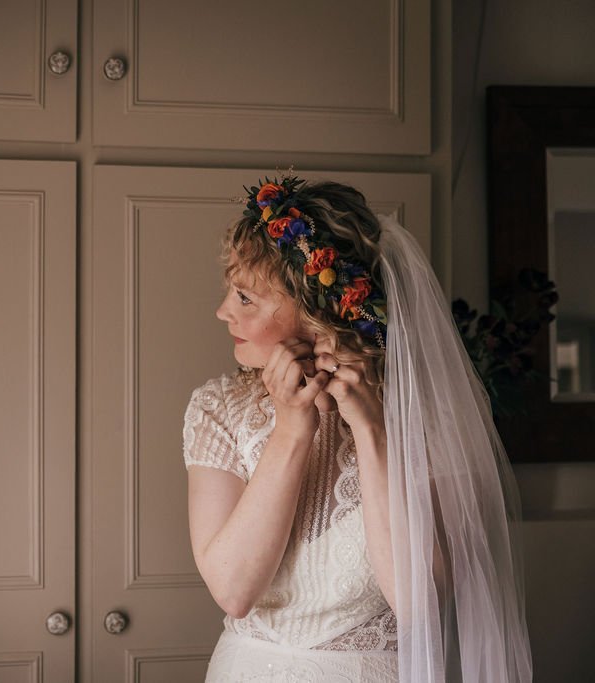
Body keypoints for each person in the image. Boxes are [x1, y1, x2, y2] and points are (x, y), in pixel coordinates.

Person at [182, 174, 533, 682]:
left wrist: (372, 432)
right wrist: (291, 429)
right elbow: (235, 591)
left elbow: (419, 607)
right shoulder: (218, 408)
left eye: (245, 298)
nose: (222, 311)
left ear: (317, 311)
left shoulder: (425, 415)